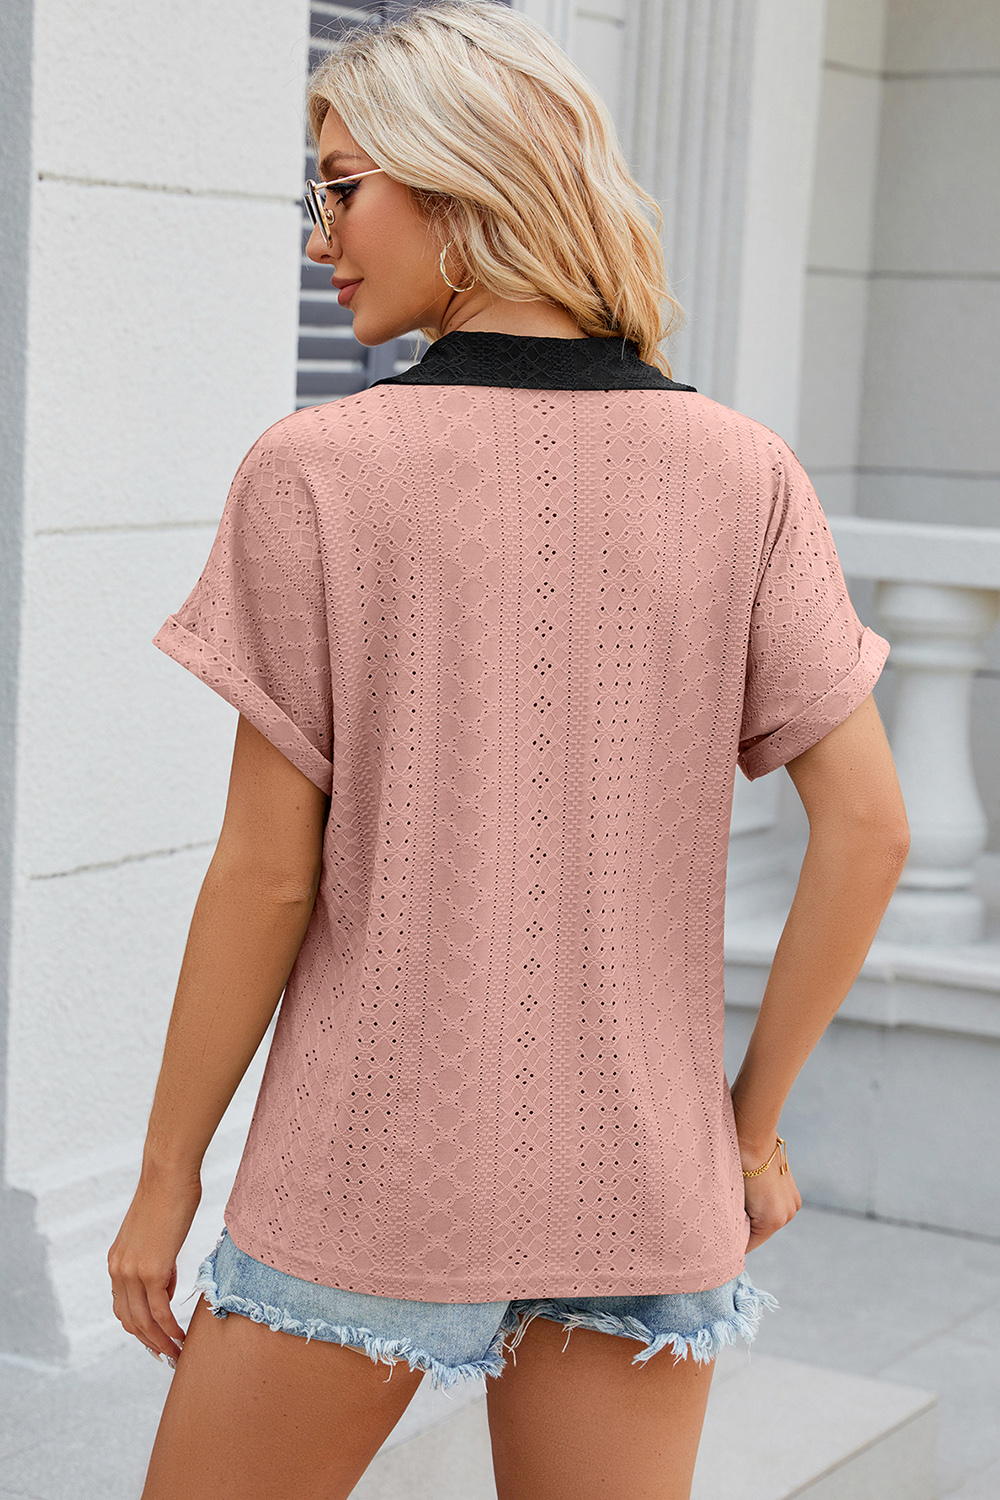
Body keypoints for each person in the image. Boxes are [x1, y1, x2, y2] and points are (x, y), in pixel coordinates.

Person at [107, 3, 910, 1497]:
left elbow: (267, 877)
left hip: (371, 1165)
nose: (319, 240)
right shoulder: (747, 474)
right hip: (642, 1175)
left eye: (339, 190)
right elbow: (870, 830)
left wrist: (166, 1181)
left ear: (458, 180)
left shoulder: (319, 471)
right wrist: (745, 1132)